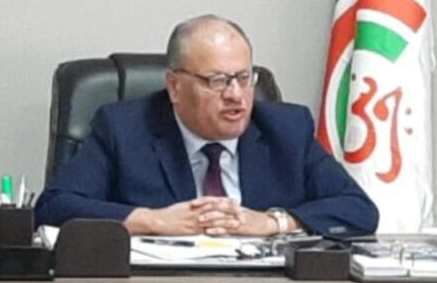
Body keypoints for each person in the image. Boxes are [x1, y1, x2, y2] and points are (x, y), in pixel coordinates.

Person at [35, 14, 379, 237]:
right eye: (217, 81)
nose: (236, 96)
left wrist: (273, 222)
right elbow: (54, 206)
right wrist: (152, 220)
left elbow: (359, 210)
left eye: (244, 78)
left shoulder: (286, 130)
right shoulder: (123, 129)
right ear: (174, 87)